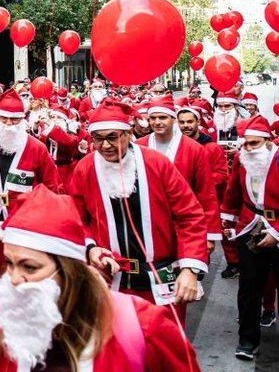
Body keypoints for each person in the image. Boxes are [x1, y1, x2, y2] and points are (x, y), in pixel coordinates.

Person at [0, 184, 199, 371]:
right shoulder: (11, 312)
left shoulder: (144, 326)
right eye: (9, 264)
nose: (14, 279)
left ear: (70, 270)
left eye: (30, 268)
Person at [70, 100, 208, 319]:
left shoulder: (157, 163)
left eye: (112, 137)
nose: (105, 146)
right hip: (111, 281)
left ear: (128, 133)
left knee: (165, 349)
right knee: (116, 349)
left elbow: (190, 216)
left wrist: (190, 269)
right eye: (98, 138)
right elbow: (77, 219)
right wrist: (92, 248)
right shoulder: (85, 168)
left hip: (160, 280)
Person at [0, 89, 61, 280]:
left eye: (14, 120)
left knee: (25, 272)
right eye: (4, 119)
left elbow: (52, 187)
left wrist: (48, 223)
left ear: (22, 120)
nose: (9, 124)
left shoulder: (37, 148)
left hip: (25, 221)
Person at [220, 115, 279, 360]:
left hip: (277, 223)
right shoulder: (241, 159)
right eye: (245, 143)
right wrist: (228, 216)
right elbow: (233, 188)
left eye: (254, 144)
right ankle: (247, 340)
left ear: (268, 142)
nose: (249, 149)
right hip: (250, 225)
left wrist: (277, 232)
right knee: (249, 286)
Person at [137, 94, 221, 251]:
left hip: (185, 220)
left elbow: (206, 192)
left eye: (163, 117)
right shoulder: (138, 146)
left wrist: (209, 234)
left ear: (173, 119)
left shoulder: (194, 149)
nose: (157, 122)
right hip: (149, 222)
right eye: (152, 118)